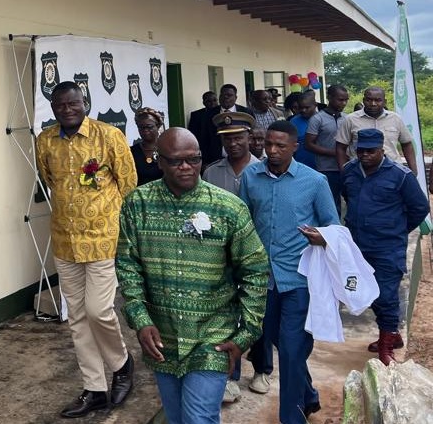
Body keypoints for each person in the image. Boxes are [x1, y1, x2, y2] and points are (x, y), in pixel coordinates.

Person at [117, 128, 269, 424]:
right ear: (159, 161)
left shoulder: (228, 207)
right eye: (176, 161)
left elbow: (255, 271)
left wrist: (245, 334)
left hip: (212, 335)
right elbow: (128, 266)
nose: (186, 167)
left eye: (194, 159)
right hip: (162, 337)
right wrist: (140, 319)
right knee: (176, 418)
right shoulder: (137, 205)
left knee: (198, 417)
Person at [37, 81, 137, 418]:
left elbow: (128, 184)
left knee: (98, 310)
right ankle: (94, 388)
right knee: (77, 318)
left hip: (102, 238)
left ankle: (122, 364)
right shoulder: (45, 140)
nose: (66, 110)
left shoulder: (109, 136)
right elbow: (50, 180)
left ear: (85, 103)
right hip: (65, 240)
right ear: (52, 108)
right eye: (59, 105)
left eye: (72, 103)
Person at [239, 120, 339, 424]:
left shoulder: (315, 181)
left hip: (299, 281)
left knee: (294, 350)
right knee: (279, 343)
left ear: (295, 147)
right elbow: (242, 224)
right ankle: (308, 395)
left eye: (280, 145)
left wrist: (323, 237)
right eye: (268, 144)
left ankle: (291, 418)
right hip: (261, 281)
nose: (272, 150)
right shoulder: (250, 177)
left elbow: (334, 227)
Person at [341, 129, 430, 365]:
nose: (365, 155)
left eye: (371, 151)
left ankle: (385, 346)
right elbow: (348, 197)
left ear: (383, 150)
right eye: (361, 151)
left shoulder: (400, 176)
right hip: (358, 246)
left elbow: (420, 208)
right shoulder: (349, 171)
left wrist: (397, 230)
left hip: (387, 246)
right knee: (368, 293)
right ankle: (392, 334)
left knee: (387, 295)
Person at [200, 111, 272, 402]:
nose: (232, 144)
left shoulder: (264, 171)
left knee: (258, 314)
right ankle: (229, 374)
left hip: (256, 255)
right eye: (226, 139)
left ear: (250, 138)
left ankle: (262, 370)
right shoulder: (211, 172)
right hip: (221, 256)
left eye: (238, 137)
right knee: (227, 316)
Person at [335, 86, 419, 174]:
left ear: (384, 102)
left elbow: (407, 144)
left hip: (392, 172)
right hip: (360, 173)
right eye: (369, 100)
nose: (373, 103)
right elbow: (340, 147)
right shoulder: (350, 119)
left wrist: (413, 171)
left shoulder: (395, 118)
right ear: (363, 101)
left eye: (378, 100)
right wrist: (344, 172)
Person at [304, 85, 349, 213]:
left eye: (346, 100)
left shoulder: (347, 118)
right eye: (340, 100)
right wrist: (334, 153)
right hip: (326, 169)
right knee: (331, 204)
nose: (343, 103)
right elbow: (308, 144)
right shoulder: (317, 119)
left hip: (346, 167)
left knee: (350, 200)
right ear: (329, 98)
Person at [188, 84, 251, 169]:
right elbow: (204, 139)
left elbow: (251, 135)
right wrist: (204, 161)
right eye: (223, 95)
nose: (226, 97)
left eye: (229, 95)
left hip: (242, 159)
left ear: (236, 97)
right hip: (215, 160)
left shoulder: (246, 112)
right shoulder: (209, 114)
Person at [131, 107, 165, 186]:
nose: (145, 130)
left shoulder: (167, 148)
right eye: (141, 127)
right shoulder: (132, 151)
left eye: (149, 127)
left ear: (158, 126)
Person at [290, 92, 318, 169]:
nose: (303, 110)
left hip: (321, 166)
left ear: (315, 105)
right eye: (301, 107)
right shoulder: (294, 121)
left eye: (307, 107)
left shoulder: (322, 120)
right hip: (300, 166)